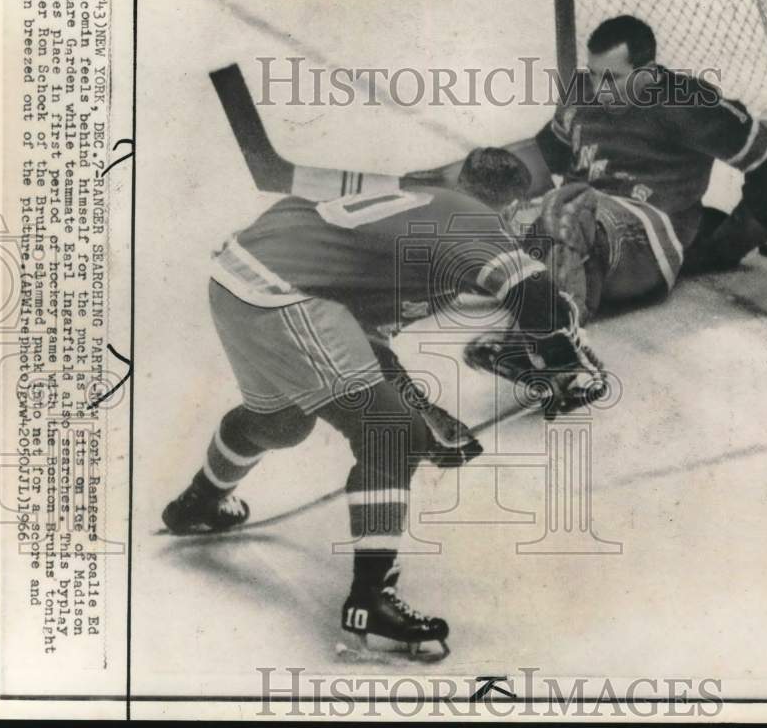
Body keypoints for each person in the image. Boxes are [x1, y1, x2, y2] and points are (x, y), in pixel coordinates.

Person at [161, 147, 606, 658]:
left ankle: (198, 503)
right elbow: (536, 294)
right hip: (284, 291)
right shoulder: (474, 222)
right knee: (391, 434)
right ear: (509, 208)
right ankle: (369, 603)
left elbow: (357, 333)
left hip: (241, 280)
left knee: (282, 421)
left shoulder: (414, 198)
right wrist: (561, 360)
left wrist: (424, 407)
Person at [524, 14, 767, 320]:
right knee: (497, 189)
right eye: (593, 74)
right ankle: (546, 279)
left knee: (575, 222)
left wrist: (731, 243)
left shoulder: (687, 103)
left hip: (645, 229)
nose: (599, 89)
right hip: (575, 213)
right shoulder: (583, 93)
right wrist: (489, 178)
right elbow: (548, 154)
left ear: (648, 73)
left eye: (612, 78)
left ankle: (558, 310)